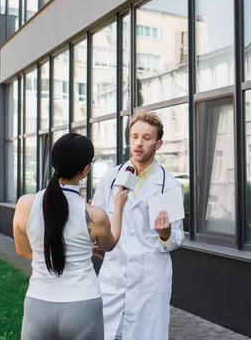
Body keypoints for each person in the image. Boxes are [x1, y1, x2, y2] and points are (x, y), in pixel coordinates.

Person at [13, 133, 129, 340]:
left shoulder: (24, 205)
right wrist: (118, 206)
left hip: (38, 302)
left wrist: (57, 253)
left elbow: (22, 250)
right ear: (85, 170)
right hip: (83, 304)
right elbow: (110, 243)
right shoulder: (95, 215)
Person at [91, 109, 184, 340]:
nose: (139, 143)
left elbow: (177, 239)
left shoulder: (169, 186)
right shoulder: (111, 179)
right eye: (134, 137)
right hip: (113, 278)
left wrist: (166, 233)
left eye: (147, 138)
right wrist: (94, 238)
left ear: (158, 144)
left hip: (149, 281)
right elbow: (98, 222)